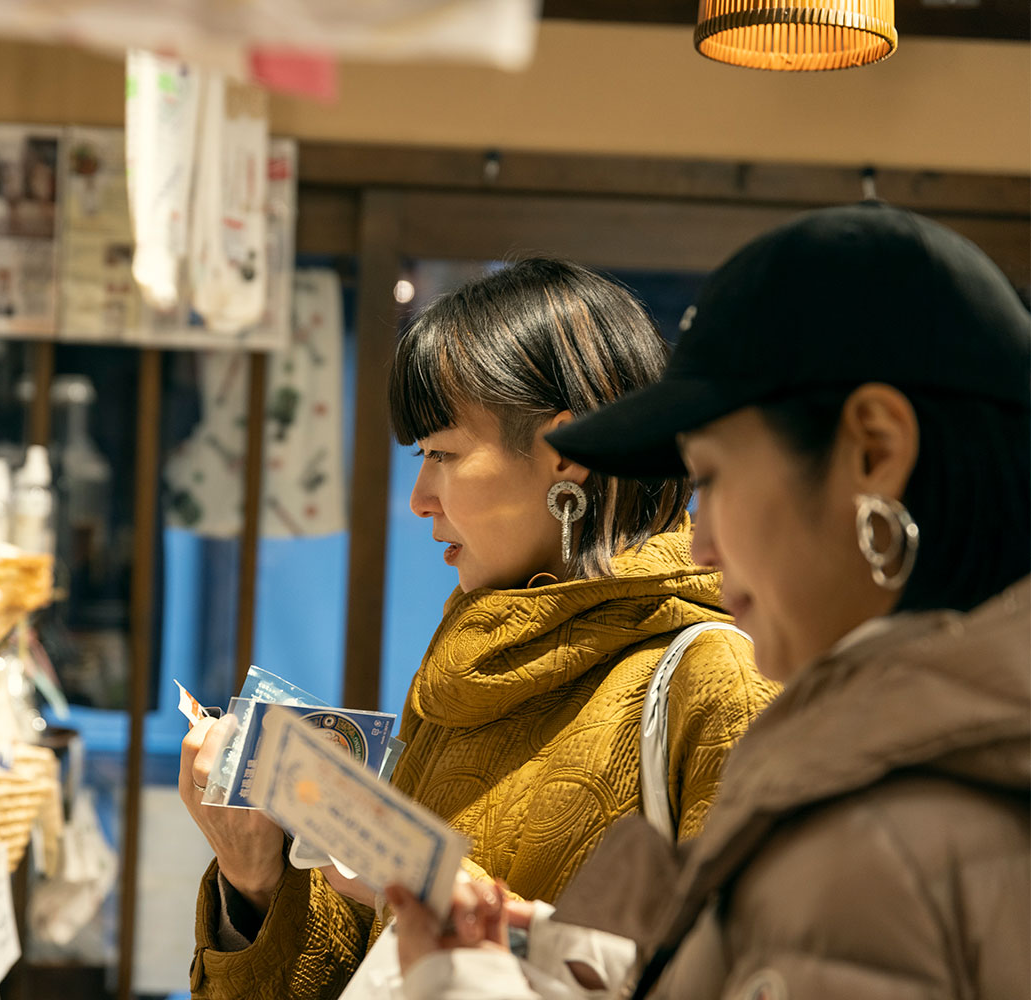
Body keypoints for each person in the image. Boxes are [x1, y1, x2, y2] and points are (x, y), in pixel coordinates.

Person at [388, 202, 1031, 1000]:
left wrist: (464, 986)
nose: (699, 545)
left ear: (875, 451)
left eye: (717, 478)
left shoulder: (881, 830)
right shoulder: (872, 766)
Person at [179, 257, 777, 1000]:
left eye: (441, 454)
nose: (420, 498)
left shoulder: (718, 674)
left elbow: (756, 974)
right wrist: (255, 877)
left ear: (565, 451)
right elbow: (375, 961)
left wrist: (472, 911)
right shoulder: (472, 654)